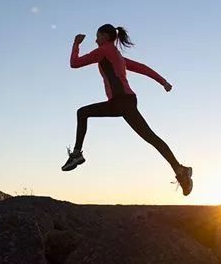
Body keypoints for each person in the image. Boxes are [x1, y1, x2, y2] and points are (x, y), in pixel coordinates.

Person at [62, 23, 193, 196]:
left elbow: (74, 63)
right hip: (126, 102)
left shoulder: (104, 50)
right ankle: (180, 170)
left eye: (98, 36)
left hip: (121, 102)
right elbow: (142, 68)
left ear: (106, 37)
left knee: (82, 113)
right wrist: (163, 82)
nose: (95, 39)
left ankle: (77, 154)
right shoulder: (117, 55)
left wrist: (76, 43)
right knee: (151, 138)